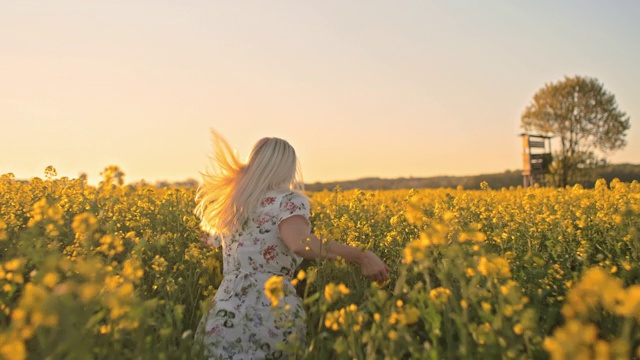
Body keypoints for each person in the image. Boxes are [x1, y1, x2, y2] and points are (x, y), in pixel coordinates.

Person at [194, 130, 390, 359]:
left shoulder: (235, 207)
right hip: (268, 309)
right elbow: (300, 243)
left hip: (223, 311)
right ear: (286, 168)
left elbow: (215, 242)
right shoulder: (288, 201)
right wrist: (361, 256)